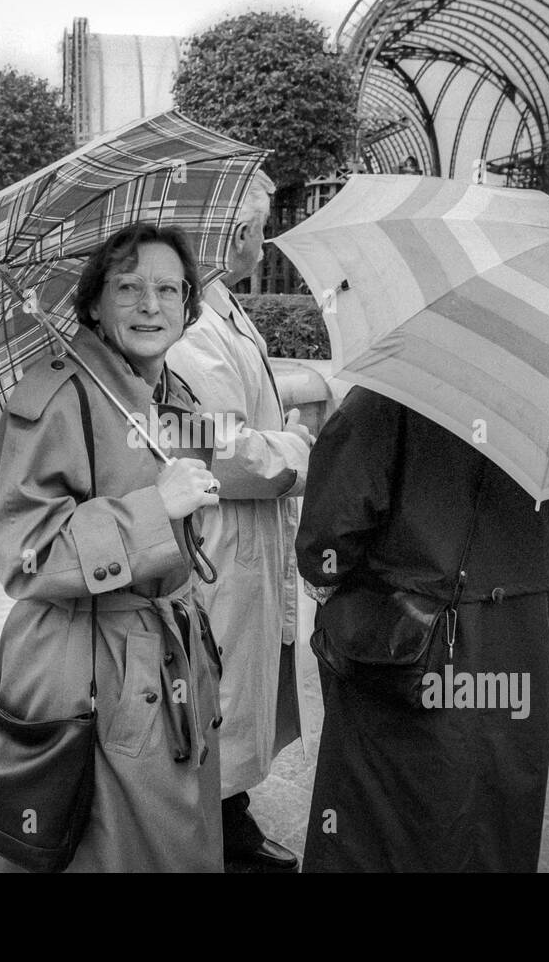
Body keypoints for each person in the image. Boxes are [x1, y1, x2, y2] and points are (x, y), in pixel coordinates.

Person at [0, 223, 225, 872]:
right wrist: (152, 509)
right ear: (92, 304)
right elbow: (24, 556)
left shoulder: (182, 397)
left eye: (170, 289)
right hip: (90, 672)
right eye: (129, 288)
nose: (151, 305)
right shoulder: (54, 399)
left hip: (171, 664)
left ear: (190, 304)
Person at [295, 389, 549, 872]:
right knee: (496, 801)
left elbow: (330, 535)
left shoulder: (396, 390)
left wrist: (327, 579)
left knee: (389, 811)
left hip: (409, 638)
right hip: (517, 635)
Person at [167, 172, 314, 872]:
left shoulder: (218, 307)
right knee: (219, 690)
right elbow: (225, 451)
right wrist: (297, 451)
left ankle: (226, 817)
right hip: (221, 544)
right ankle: (216, 830)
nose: (264, 239)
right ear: (232, 235)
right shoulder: (194, 325)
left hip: (242, 542)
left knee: (233, 685)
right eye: (258, 227)